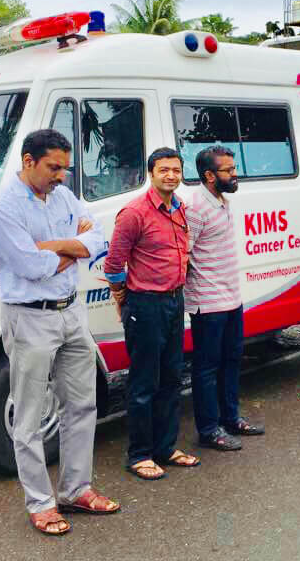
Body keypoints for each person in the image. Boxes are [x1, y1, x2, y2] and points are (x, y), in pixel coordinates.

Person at [0, 129, 118, 536]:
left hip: (71, 313)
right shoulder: (4, 209)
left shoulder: (63, 196)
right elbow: (31, 267)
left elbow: (99, 239)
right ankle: (41, 503)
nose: (61, 175)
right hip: (29, 318)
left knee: (82, 405)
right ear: (28, 161)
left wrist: (56, 245)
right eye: (53, 167)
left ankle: (76, 489)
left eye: (65, 167)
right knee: (28, 415)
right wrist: (73, 248)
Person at [105, 147, 201, 480]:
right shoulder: (133, 213)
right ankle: (140, 454)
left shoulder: (180, 209)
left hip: (175, 302)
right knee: (144, 382)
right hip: (145, 305)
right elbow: (114, 264)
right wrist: (122, 297)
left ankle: (165, 447)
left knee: (172, 377)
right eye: (164, 170)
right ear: (151, 173)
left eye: (176, 170)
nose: (171, 175)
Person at [186, 146, 264, 452]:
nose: (234, 174)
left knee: (232, 361)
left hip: (231, 299)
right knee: (206, 368)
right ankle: (208, 430)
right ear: (209, 176)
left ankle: (230, 418)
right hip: (208, 303)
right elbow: (184, 254)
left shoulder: (221, 201)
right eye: (228, 170)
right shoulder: (195, 207)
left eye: (233, 168)